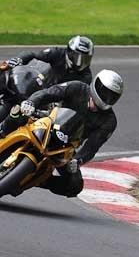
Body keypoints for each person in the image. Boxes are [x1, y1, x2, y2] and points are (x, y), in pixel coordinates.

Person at [3, 69, 123, 198]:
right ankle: (2, 131)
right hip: (46, 121)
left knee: (74, 185)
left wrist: (78, 160)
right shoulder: (77, 88)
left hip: (67, 147)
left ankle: (36, 179)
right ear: (96, 85)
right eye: (105, 92)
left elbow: (92, 146)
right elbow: (48, 93)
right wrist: (32, 102)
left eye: (112, 96)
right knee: (18, 113)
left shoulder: (109, 121)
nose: (107, 98)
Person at [4, 36, 94, 86]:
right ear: (69, 52)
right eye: (77, 57)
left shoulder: (86, 77)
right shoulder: (57, 53)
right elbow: (33, 55)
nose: (79, 62)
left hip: (56, 103)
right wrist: (19, 59)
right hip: (39, 86)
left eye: (85, 58)